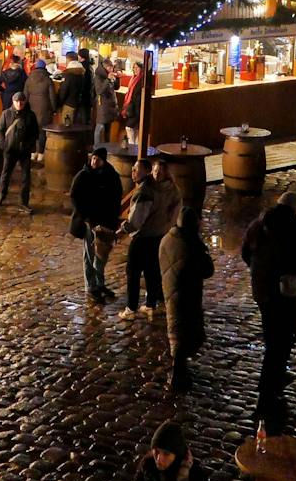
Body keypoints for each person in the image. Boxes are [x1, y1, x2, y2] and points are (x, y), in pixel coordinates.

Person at [242, 192, 296, 428]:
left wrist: (259, 273)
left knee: (273, 337)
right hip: (285, 295)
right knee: (281, 341)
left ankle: (272, 386)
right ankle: (268, 391)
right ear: (295, 209)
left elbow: (246, 252)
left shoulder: (258, 225)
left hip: (262, 292)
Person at [159, 203, 213, 392]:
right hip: (187, 292)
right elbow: (208, 269)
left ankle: (177, 369)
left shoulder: (167, 239)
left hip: (170, 289)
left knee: (175, 325)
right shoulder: (190, 245)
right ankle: (178, 374)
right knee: (183, 330)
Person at [119, 158, 180, 319]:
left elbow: (136, 220)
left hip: (143, 237)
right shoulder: (173, 190)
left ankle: (131, 308)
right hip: (159, 236)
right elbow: (174, 215)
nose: (156, 174)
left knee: (133, 272)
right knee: (152, 272)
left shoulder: (148, 191)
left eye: (158, 171)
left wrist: (122, 230)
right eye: (155, 171)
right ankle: (150, 304)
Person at [123, 419, 211, 481]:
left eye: (166, 453)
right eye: (156, 451)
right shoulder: (147, 467)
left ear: (176, 454)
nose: (159, 458)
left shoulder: (193, 473)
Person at [71, 145, 124, 303]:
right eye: (93, 158)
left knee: (101, 256)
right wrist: (85, 217)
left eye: (98, 159)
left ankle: (100, 284)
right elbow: (74, 196)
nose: (94, 162)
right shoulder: (83, 176)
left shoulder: (111, 175)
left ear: (103, 161)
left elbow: (116, 196)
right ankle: (91, 287)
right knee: (89, 254)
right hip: (90, 222)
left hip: (105, 221)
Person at [0, 90, 39, 212]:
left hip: (24, 151)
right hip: (10, 149)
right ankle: (1, 196)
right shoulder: (6, 114)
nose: (19, 104)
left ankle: (24, 201)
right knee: (5, 174)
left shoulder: (30, 115)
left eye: (21, 101)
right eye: (17, 101)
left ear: (25, 102)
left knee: (26, 176)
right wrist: (3, 143)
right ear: (13, 102)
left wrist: (28, 145)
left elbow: (35, 132)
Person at [23, 56, 56, 154]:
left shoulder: (29, 80)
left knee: (32, 130)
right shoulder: (47, 80)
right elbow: (52, 97)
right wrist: (54, 109)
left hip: (32, 107)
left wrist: (24, 109)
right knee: (42, 131)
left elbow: (25, 95)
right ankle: (41, 153)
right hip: (44, 108)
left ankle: (33, 153)